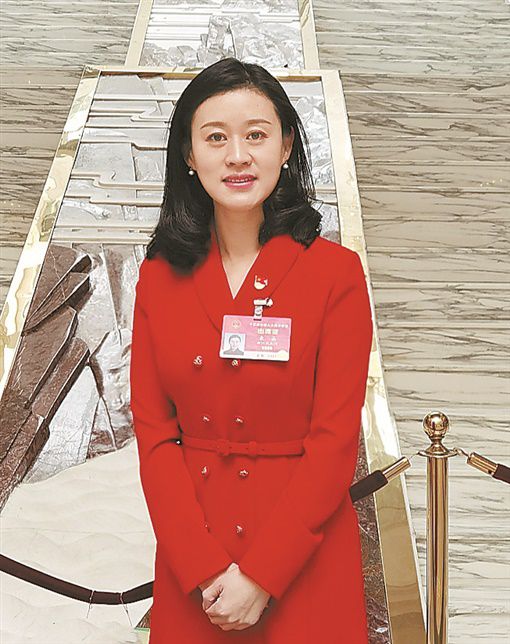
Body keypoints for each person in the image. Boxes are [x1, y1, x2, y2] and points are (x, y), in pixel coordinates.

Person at [129, 56, 373, 643]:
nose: (237, 155)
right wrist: (204, 567)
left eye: (256, 135)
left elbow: (335, 442)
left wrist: (262, 574)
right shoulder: (159, 276)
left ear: (285, 146)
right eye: (216, 138)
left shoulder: (335, 274)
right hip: (197, 572)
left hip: (305, 561)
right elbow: (154, 437)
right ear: (189, 155)